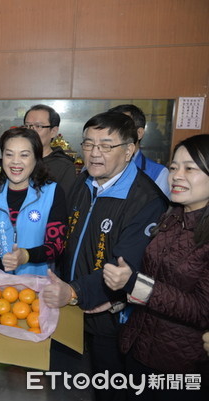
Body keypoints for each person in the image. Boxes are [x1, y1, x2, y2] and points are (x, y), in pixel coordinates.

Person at [42, 111, 168, 401]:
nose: (94, 154)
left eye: (106, 146)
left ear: (129, 150)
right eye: (88, 144)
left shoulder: (146, 201)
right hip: (69, 310)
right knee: (62, 387)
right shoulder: (82, 182)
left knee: (107, 389)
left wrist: (74, 291)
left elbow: (126, 265)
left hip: (110, 323)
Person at [103, 134, 209, 400]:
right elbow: (156, 278)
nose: (176, 176)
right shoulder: (170, 217)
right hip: (138, 347)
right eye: (173, 167)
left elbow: (201, 310)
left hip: (178, 364)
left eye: (190, 168)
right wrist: (119, 299)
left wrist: (135, 284)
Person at [0, 127, 67, 275]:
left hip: (39, 284)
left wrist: (25, 255)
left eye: (24, 155)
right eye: (9, 154)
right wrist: (1, 274)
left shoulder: (52, 192)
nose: (15, 162)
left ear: (36, 158)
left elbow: (56, 246)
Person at [108, 104, 169, 196]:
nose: (113, 133)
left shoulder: (159, 173)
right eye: (110, 128)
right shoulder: (94, 166)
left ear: (139, 133)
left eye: (121, 128)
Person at [23, 104, 77, 194]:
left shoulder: (64, 167)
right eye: (27, 126)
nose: (31, 131)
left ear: (53, 131)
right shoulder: (16, 160)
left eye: (38, 126)